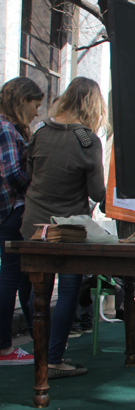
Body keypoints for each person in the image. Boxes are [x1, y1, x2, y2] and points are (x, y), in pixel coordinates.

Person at [21, 77, 107, 378]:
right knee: (69, 289)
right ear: (94, 106)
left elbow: (30, 173)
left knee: (37, 291)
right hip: (69, 227)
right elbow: (97, 191)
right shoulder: (87, 140)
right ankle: (53, 357)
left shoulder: (41, 131)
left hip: (34, 223)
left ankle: (41, 350)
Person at [0, 77, 43, 365]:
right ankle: (4, 347)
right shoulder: (5, 129)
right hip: (11, 211)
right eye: (35, 105)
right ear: (22, 100)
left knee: (15, 278)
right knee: (10, 279)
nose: (36, 112)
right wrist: (38, 180)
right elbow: (14, 174)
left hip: (10, 210)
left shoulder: (8, 129)